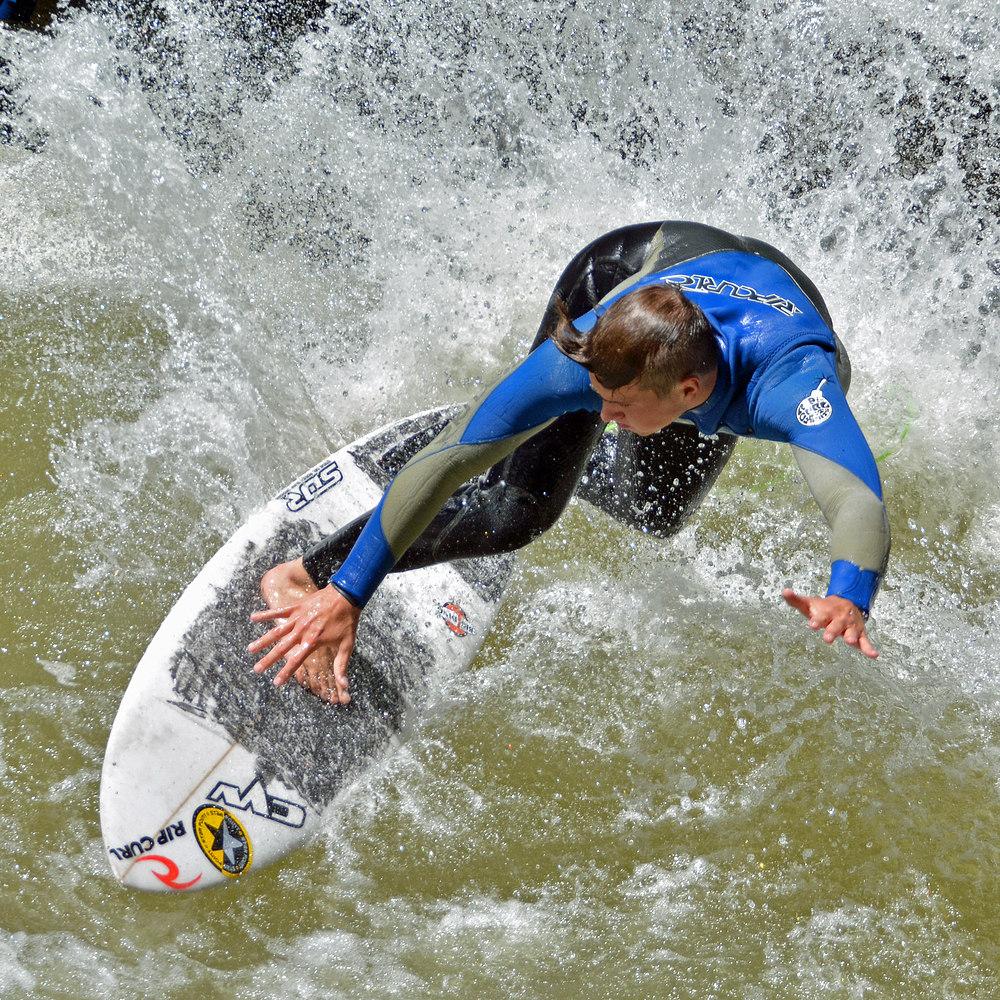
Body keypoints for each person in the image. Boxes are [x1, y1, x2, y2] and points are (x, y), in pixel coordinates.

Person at [248, 221, 891, 705]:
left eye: (619, 406)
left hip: (752, 322)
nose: (604, 412)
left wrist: (848, 594)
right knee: (514, 511)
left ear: (690, 395)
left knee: (656, 514)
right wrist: (346, 590)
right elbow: (446, 461)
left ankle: (534, 448)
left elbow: (856, 499)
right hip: (629, 272)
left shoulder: (789, 385)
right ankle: (306, 572)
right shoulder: (585, 348)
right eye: (598, 400)